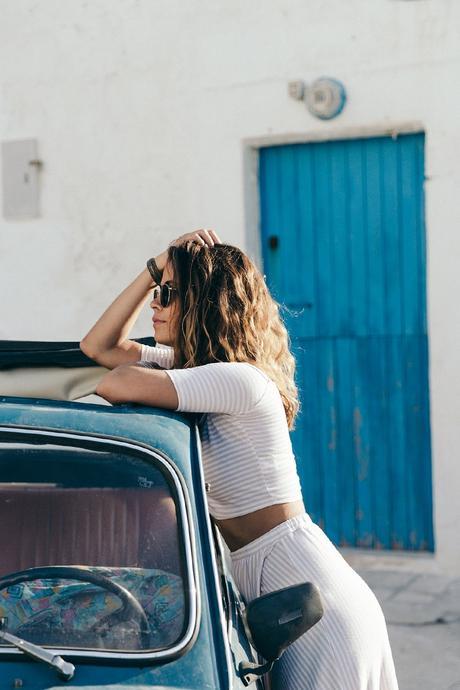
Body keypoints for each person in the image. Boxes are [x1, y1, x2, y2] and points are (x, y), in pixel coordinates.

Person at [80, 229, 399, 690]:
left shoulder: (237, 380)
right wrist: (155, 267)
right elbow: (100, 349)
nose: (155, 304)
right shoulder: (197, 372)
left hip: (311, 593)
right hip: (268, 584)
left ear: (202, 304)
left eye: (168, 295)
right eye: (158, 292)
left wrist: (159, 287)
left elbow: (113, 381)